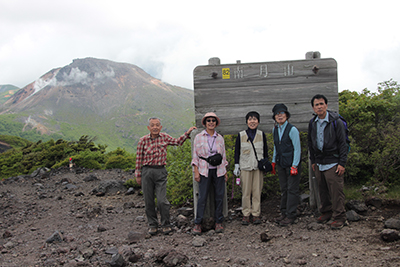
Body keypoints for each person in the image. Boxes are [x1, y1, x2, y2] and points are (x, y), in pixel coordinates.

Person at [135, 117, 196, 236]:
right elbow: (139, 159)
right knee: (148, 200)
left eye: (157, 125)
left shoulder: (165, 137)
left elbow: (177, 142)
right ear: (148, 127)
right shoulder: (143, 140)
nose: (155, 127)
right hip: (147, 171)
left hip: (161, 171)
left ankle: (166, 224)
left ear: (161, 127)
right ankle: (153, 225)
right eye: (152, 125)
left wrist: (187, 133)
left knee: (162, 200)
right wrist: (138, 175)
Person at [308, 94, 348, 230]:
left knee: (336, 190)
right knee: (322, 188)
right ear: (313, 108)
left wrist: (342, 163)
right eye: (316, 105)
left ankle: (340, 217)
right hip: (319, 161)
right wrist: (313, 160)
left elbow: (343, 143)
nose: (319, 107)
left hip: (333, 160)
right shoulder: (312, 123)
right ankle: (326, 212)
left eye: (321, 104)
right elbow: (310, 142)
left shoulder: (336, 121)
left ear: (326, 105)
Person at [192, 112, 228, 235]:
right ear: (205, 123)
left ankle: (219, 222)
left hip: (218, 170)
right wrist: (196, 171)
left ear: (216, 123)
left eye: (213, 120)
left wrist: (225, 172)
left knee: (219, 196)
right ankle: (198, 223)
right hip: (203, 170)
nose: (211, 122)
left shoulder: (220, 138)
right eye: (209, 120)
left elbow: (223, 156)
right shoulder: (199, 137)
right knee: (202, 197)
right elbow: (195, 156)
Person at [233, 111, 268, 225]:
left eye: (255, 119)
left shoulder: (262, 135)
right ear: (247, 121)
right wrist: (236, 165)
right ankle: (246, 214)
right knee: (246, 192)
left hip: (258, 168)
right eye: (250, 119)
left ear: (258, 121)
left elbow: (265, 151)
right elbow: (237, 151)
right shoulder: (241, 135)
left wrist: (266, 165)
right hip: (245, 167)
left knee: (257, 191)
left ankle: (256, 214)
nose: (252, 121)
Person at [271, 104, 301, 226]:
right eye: (277, 114)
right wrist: (273, 161)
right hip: (281, 163)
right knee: (284, 189)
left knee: (292, 190)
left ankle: (291, 215)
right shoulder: (275, 129)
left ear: (286, 115)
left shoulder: (292, 129)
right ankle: (283, 213)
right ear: (274, 116)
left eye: (282, 113)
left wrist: (295, 165)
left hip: (291, 164)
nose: (280, 115)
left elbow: (297, 148)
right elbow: (275, 146)